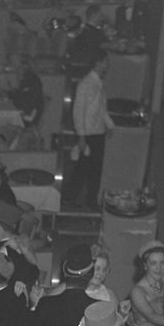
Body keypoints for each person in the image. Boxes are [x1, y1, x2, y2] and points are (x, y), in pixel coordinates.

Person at [63, 52, 113, 210]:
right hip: (89, 135)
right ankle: (73, 199)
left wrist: (109, 125)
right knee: (83, 170)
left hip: (98, 133)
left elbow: (101, 109)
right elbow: (79, 112)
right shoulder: (85, 84)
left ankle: (84, 200)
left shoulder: (98, 84)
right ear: (98, 63)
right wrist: (82, 137)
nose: (108, 65)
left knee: (92, 170)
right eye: (106, 62)